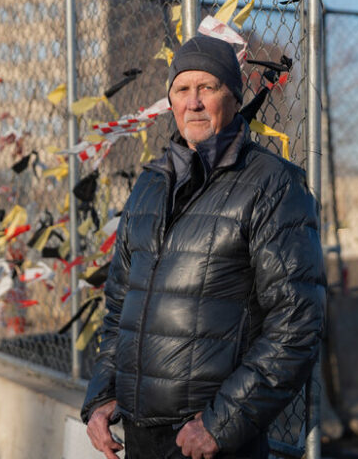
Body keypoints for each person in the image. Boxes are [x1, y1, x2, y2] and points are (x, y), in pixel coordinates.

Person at [81, 35, 326, 459]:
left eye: (207, 88)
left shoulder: (272, 183)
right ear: (170, 101)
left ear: (233, 96)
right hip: (139, 436)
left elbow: (297, 321)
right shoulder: (150, 183)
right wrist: (102, 394)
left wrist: (222, 423)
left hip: (209, 440)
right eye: (182, 89)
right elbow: (120, 304)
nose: (193, 102)